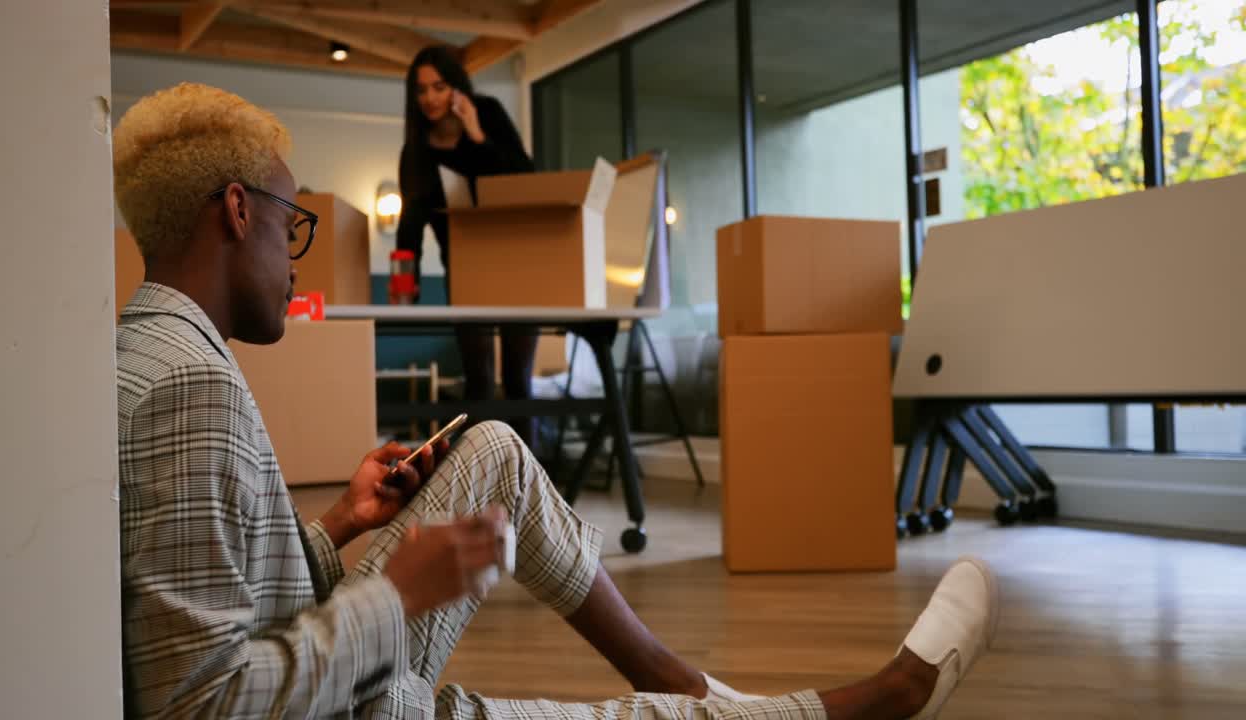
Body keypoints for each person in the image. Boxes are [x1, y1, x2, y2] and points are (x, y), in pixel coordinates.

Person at [113, 81, 998, 720]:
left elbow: (232, 584)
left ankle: (682, 682)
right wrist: (394, 601)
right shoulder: (190, 387)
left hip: (327, 664)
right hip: (341, 703)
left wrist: (341, 522)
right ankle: (846, 711)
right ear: (236, 210)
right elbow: (199, 706)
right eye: (288, 220)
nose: (295, 248)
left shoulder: (156, 344)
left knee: (492, 445)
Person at [395, 46, 540, 448]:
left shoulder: (488, 112)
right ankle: (483, 477)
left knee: (516, 381)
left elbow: (523, 179)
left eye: (439, 87)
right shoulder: (416, 148)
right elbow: (411, 222)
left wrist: (476, 132)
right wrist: (406, 286)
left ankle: (528, 484)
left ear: (456, 87)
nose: (430, 98)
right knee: (477, 381)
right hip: (463, 267)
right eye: (421, 90)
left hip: (517, 262)